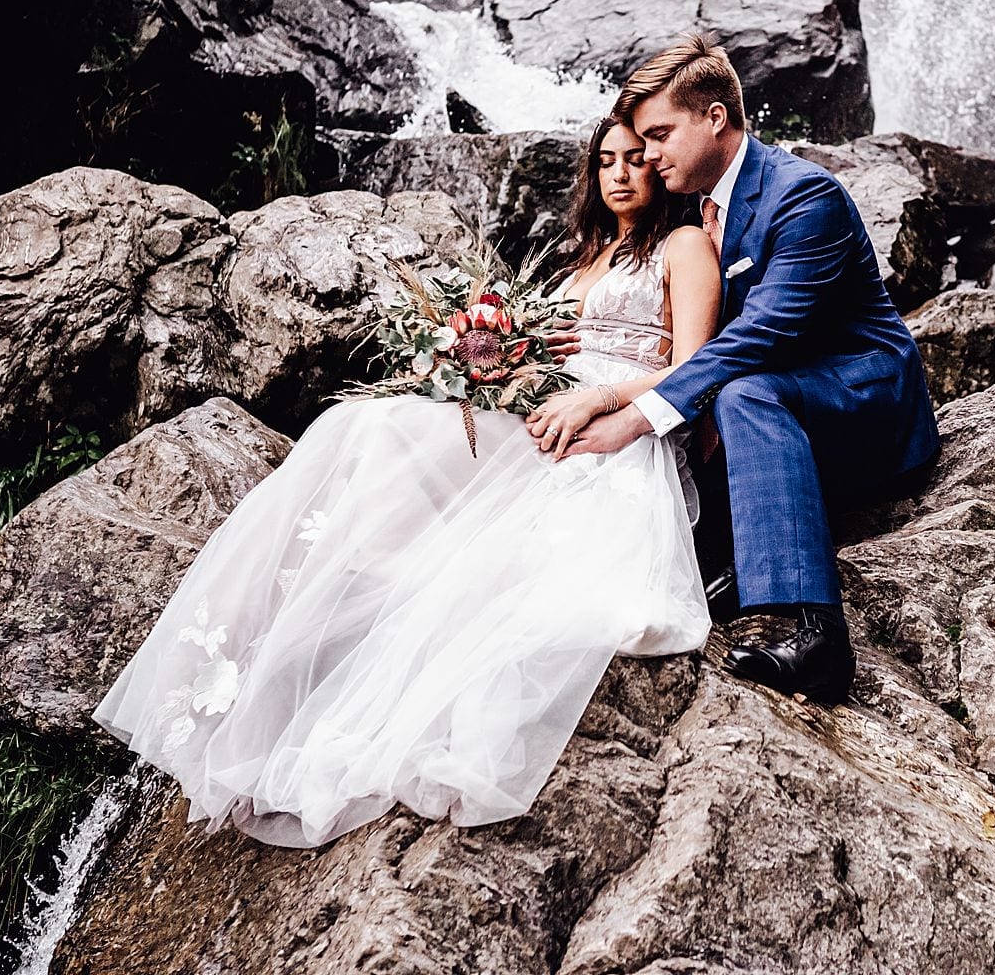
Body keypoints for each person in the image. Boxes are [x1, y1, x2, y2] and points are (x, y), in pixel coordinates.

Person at [90, 117, 720, 847]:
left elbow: (695, 369)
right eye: (606, 160)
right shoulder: (578, 261)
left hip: (611, 431)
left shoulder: (684, 245)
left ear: (663, 168)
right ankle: (380, 582)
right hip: (540, 412)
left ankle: (404, 580)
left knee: (382, 432)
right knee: (369, 426)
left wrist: (599, 398)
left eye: (637, 160)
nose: (619, 174)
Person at [551, 34, 941, 706]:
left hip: (862, 402)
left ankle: (820, 635)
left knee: (741, 394)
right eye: (639, 142)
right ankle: (722, 567)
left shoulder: (802, 195)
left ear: (715, 118)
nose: (645, 156)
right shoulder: (694, 208)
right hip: (774, 408)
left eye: (660, 134)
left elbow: (761, 336)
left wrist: (630, 415)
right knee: (710, 410)